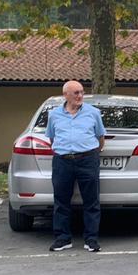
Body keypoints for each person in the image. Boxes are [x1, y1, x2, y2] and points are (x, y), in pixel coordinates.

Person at [45, 80, 106, 253]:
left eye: (81, 92)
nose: (80, 96)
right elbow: (52, 138)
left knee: (91, 201)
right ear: (66, 95)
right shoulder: (54, 115)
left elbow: (100, 137)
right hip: (62, 161)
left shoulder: (93, 113)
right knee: (61, 201)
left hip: (87, 159)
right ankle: (62, 239)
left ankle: (91, 239)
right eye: (76, 93)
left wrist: (90, 152)